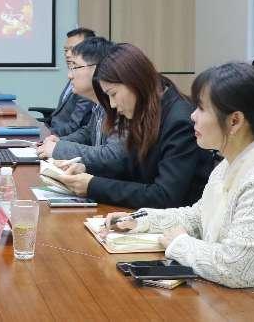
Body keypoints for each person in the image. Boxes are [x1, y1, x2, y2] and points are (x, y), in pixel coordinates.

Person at [103, 63, 254, 322]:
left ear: (235, 121)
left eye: (201, 109)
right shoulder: (231, 162)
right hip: (239, 302)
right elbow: (197, 217)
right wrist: (140, 221)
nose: (192, 116)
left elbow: (234, 267)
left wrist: (179, 244)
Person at [53, 43, 211, 208]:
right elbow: (131, 170)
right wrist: (86, 171)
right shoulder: (145, 109)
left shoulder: (179, 120)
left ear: (135, 82)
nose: (112, 104)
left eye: (113, 94)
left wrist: (92, 185)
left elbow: (165, 196)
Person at [36, 37, 126, 177]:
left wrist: (59, 149)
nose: (69, 75)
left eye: (75, 67)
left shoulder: (120, 106)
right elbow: (88, 133)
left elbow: (111, 155)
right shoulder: (99, 104)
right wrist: (60, 141)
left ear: (98, 69)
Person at [46, 27, 97, 136]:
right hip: (54, 133)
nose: (68, 54)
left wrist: (48, 135)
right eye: (66, 50)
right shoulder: (75, 74)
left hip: (60, 136)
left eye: (73, 49)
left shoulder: (88, 85)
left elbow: (74, 127)